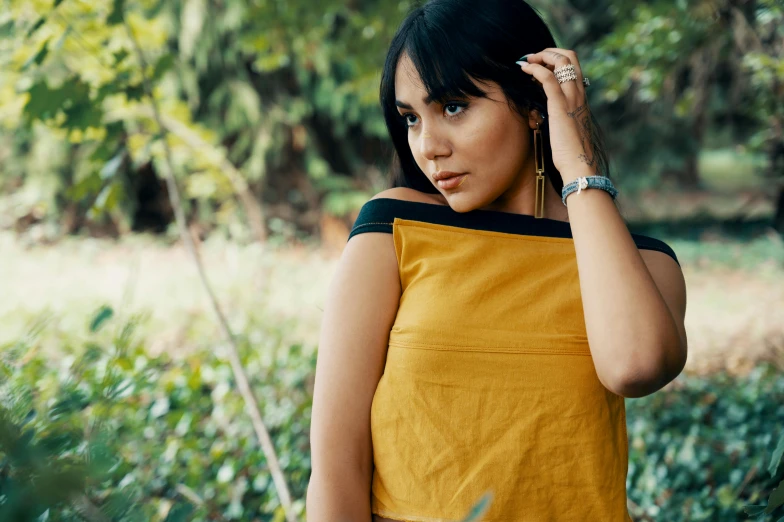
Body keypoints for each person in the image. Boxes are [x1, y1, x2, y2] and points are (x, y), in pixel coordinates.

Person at [306, 0, 688, 520]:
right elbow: (335, 468)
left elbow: (635, 367)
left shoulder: (645, 265)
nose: (428, 145)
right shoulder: (392, 231)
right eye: (411, 118)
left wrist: (577, 160)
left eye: (454, 107)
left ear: (535, 104)